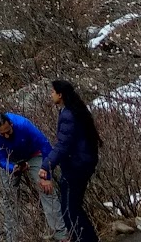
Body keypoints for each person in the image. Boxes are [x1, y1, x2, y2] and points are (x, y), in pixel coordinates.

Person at [0, 110, 68, 242]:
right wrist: (14, 168)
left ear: (11, 124)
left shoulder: (24, 125)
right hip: (11, 160)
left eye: (8, 131)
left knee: (46, 189)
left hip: (33, 154)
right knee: (9, 197)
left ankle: (61, 234)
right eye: (2, 134)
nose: (6, 136)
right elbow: (1, 159)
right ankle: (12, 237)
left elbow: (45, 145)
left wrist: (46, 174)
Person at [43, 80, 102, 242]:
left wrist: (46, 165)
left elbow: (63, 145)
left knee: (69, 210)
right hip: (84, 163)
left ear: (60, 95)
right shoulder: (75, 110)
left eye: (53, 92)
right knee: (73, 207)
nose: (51, 95)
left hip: (75, 166)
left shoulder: (68, 115)